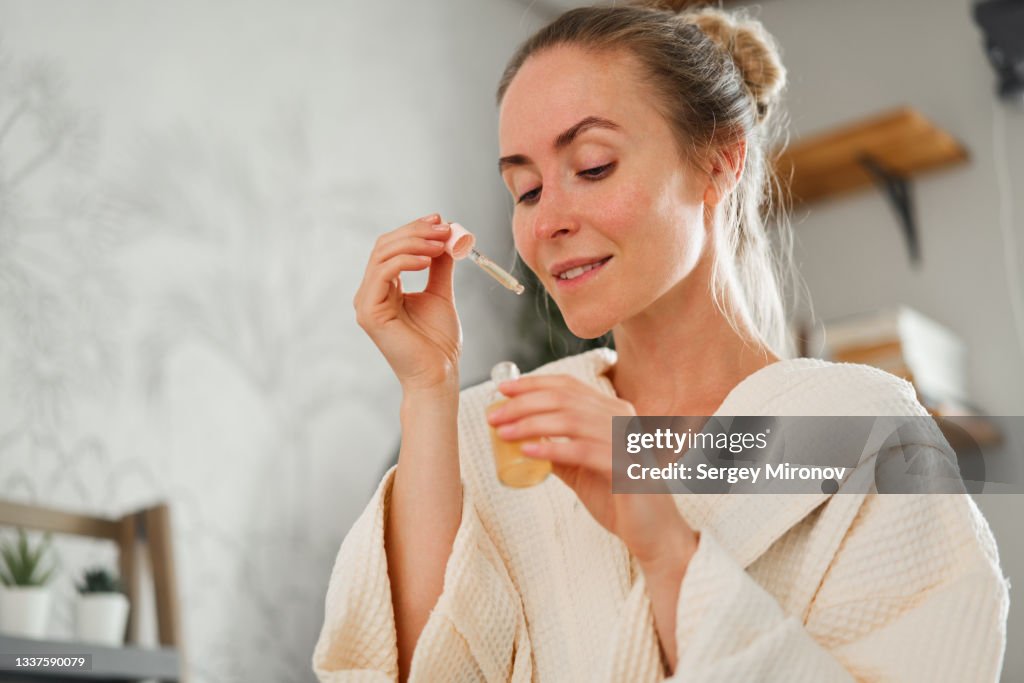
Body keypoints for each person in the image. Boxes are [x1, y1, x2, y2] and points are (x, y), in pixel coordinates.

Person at [314, 3, 1009, 681]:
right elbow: (407, 667)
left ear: (718, 164)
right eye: (525, 189)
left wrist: (668, 547)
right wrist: (428, 389)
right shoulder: (495, 431)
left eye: (591, 167)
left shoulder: (866, 437)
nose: (546, 220)